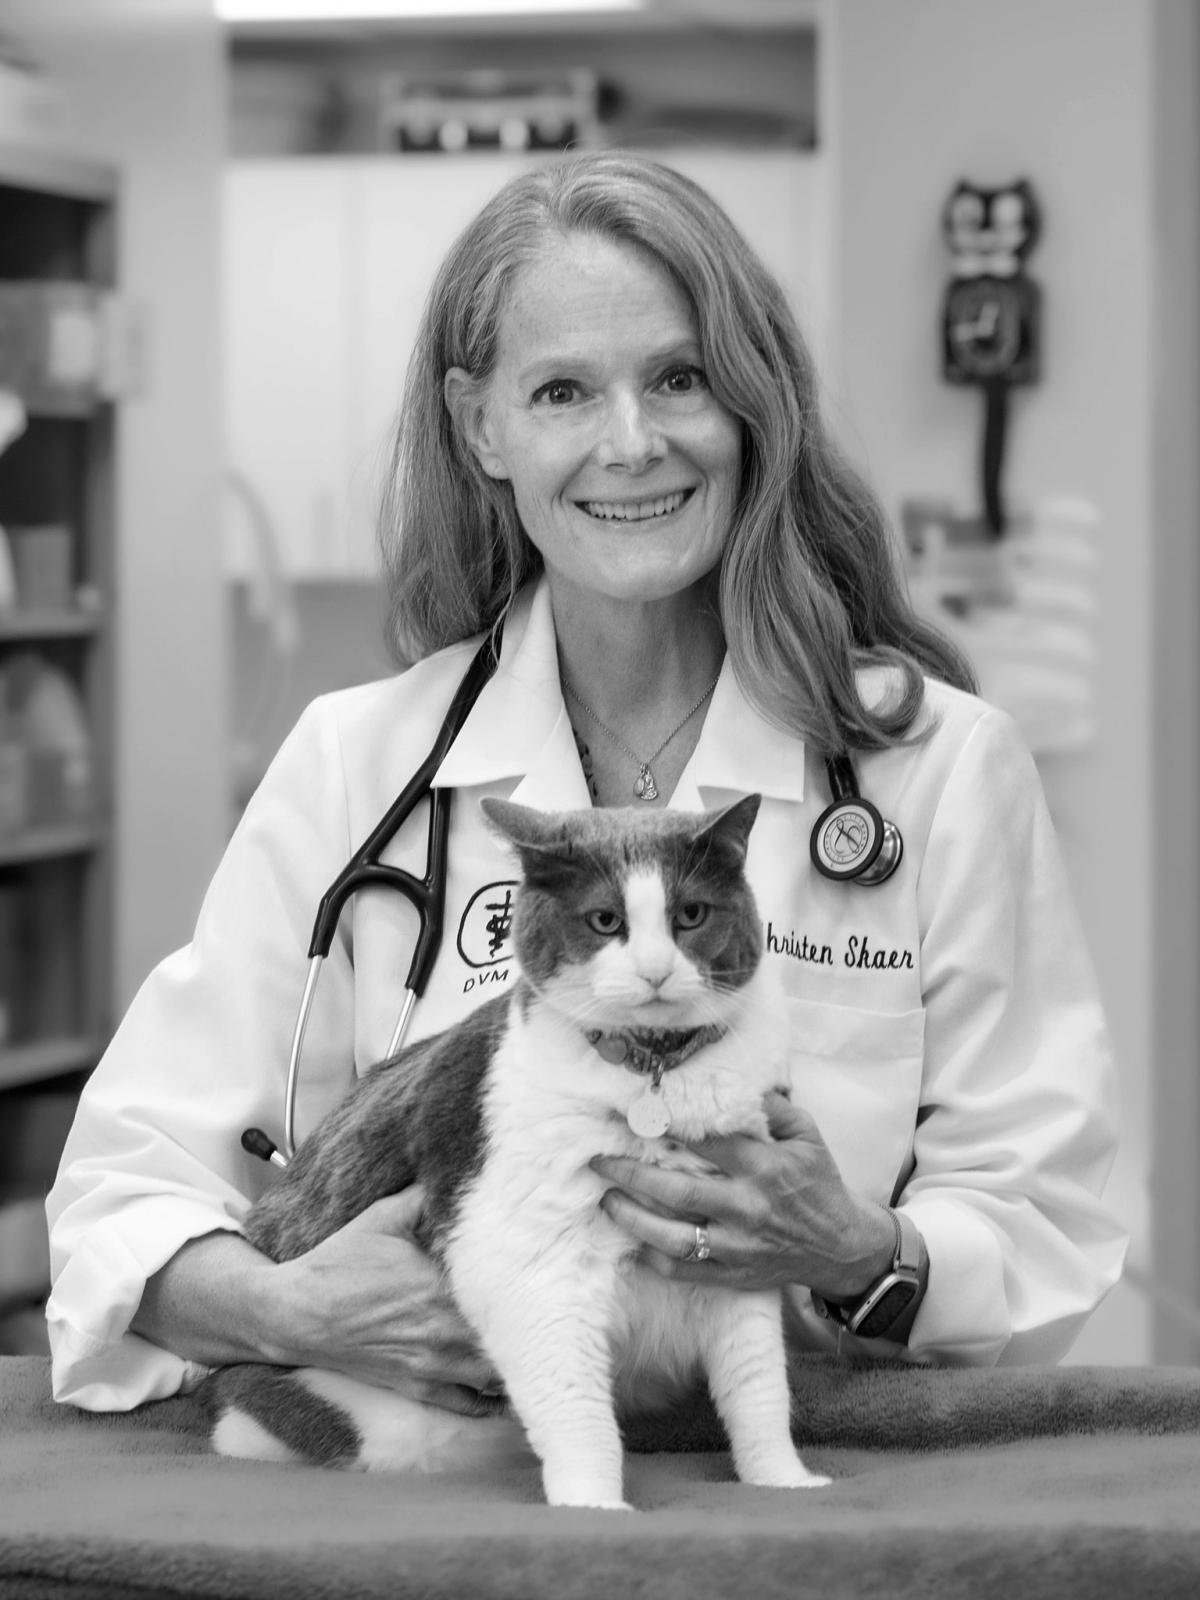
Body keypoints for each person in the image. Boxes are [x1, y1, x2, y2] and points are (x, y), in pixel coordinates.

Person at [46, 151, 1126, 1413]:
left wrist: (858, 1254)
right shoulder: (362, 765)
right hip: (455, 1507)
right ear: (480, 426)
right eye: (562, 390)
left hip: (814, 1499)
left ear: (752, 404)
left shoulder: (933, 769)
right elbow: (123, 1196)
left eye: (679, 377)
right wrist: (294, 1310)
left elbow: (1047, 1214)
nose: (632, 443)